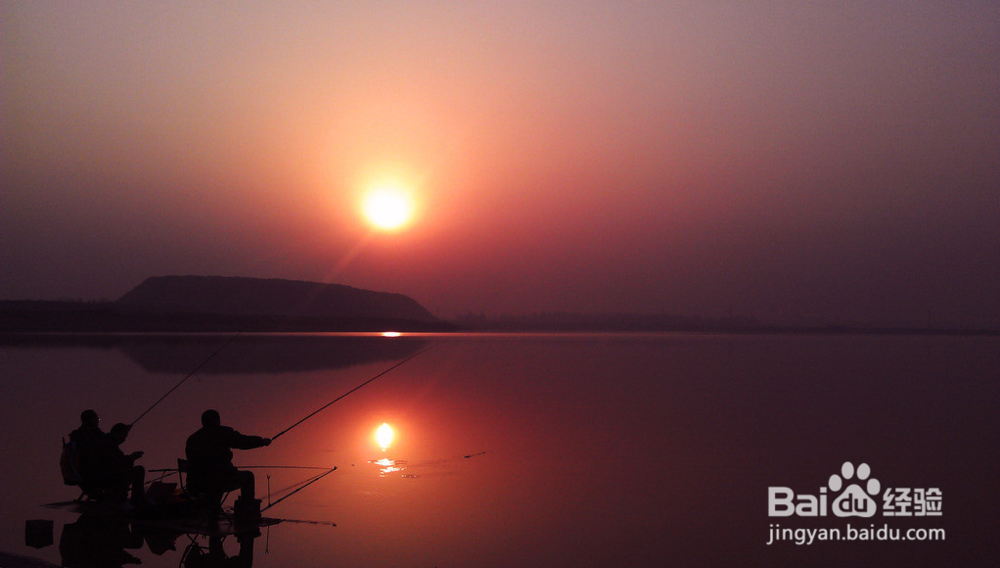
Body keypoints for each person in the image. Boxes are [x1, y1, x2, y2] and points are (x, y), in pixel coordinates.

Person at [185, 410, 270, 517]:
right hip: (217, 481)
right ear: (217, 420)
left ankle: (213, 509)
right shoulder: (222, 433)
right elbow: (243, 442)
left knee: (215, 479)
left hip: (196, 485)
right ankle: (247, 512)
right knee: (248, 476)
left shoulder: (192, 439)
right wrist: (261, 442)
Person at [90, 423, 146, 506]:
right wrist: (131, 458)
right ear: (118, 433)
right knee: (139, 470)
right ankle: (137, 502)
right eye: (124, 436)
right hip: (107, 478)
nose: (124, 439)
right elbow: (117, 465)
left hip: (105, 476)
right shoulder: (108, 445)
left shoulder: (107, 443)